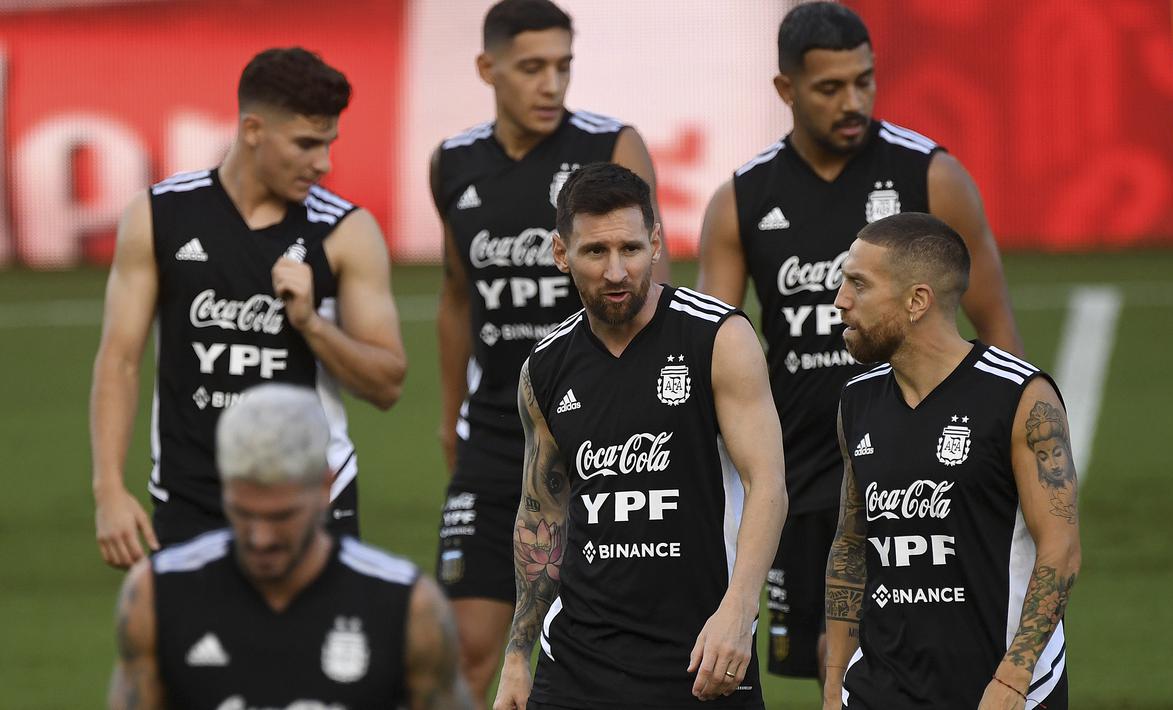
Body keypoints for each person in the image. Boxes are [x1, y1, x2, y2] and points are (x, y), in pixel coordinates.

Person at [695, 1, 1023, 689]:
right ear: (785, 90)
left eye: (863, 81)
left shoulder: (930, 177)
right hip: (802, 472)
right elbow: (714, 348)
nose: (854, 101)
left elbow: (994, 325)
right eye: (829, 87)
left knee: (922, 649)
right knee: (832, 662)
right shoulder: (742, 200)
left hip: (920, 459)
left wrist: (1016, 447)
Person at [430, 0, 669, 701]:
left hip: (595, 430)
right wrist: (451, 420)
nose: (550, 85)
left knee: (600, 642)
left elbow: (654, 291)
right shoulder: (453, 163)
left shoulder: (611, 147)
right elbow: (453, 295)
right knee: (470, 646)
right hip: (494, 437)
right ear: (487, 68)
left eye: (562, 67)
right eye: (531, 68)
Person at [90, 47, 406, 567]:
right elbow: (119, 360)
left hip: (311, 495)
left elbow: (387, 384)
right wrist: (108, 492)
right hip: (190, 496)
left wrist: (311, 324)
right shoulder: (159, 216)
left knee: (308, 651)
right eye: (306, 144)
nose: (322, 163)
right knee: (191, 651)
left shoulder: (347, 232)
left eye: (328, 144)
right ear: (253, 130)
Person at [491, 163, 786, 710]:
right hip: (577, 662)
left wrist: (739, 611)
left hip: (703, 657)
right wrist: (516, 656)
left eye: (630, 248)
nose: (616, 271)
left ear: (655, 243)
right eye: (595, 252)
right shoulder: (546, 367)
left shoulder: (717, 337)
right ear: (561, 254)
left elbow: (766, 483)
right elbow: (542, 513)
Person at [823, 212, 1079, 709]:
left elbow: (1060, 549)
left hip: (1000, 688)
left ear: (918, 300)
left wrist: (1013, 678)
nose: (841, 301)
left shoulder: (1021, 398)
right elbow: (851, 543)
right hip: (881, 688)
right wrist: (835, 681)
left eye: (858, 284)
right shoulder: (857, 400)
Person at [107, 384, 470, 710]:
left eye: (282, 516)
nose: (260, 538)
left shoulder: (407, 608)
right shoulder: (158, 597)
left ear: (326, 488)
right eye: (243, 513)